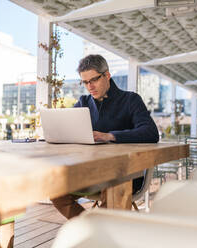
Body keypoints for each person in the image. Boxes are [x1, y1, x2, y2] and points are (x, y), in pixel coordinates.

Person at [51, 54, 159, 219]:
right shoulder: (83, 102)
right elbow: (69, 129)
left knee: (113, 191)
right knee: (55, 190)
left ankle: (100, 234)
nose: (90, 87)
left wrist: (109, 136)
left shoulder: (131, 100)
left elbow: (151, 133)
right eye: (85, 82)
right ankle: (90, 229)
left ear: (107, 75)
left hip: (125, 174)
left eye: (93, 80)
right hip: (92, 172)